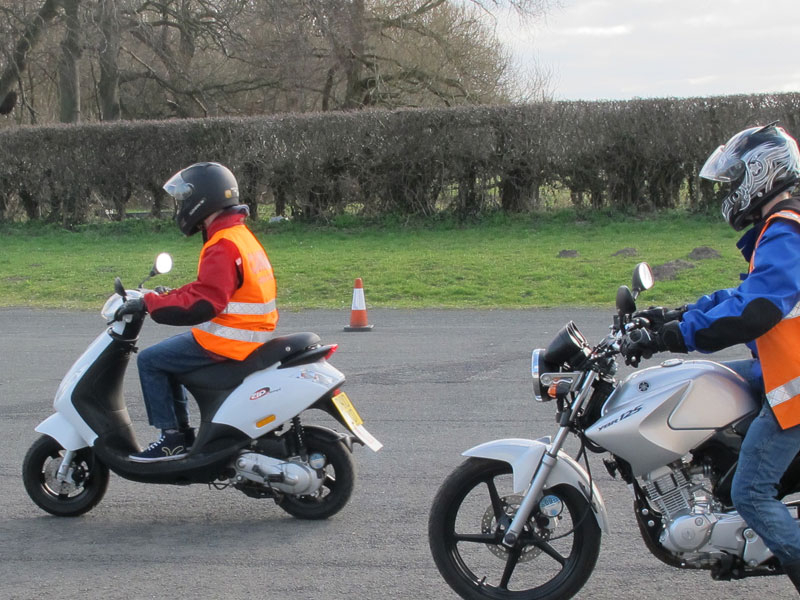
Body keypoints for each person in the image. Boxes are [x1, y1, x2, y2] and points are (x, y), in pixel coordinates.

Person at [620, 123, 800, 590]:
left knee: (753, 493)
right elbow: (740, 296)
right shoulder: (779, 228)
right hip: (780, 369)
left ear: (763, 174)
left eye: (736, 179)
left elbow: (754, 312)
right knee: (706, 382)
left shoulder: (787, 232)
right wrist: (672, 316)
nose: (730, 190)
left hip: (795, 384)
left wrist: (675, 337)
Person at [114, 162, 279, 463]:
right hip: (251, 335)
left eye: (183, 199)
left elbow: (205, 302)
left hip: (229, 341)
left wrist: (150, 304)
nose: (181, 207)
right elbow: (212, 287)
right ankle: (181, 436)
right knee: (168, 357)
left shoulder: (222, 244)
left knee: (152, 360)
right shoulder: (239, 235)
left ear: (202, 198)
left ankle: (173, 439)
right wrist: (166, 296)